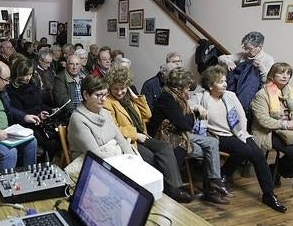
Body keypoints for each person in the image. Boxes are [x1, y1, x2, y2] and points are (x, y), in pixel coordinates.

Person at [190, 66, 287, 212]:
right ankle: (223, 176)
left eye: (224, 80)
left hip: (238, 133)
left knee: (258, 155)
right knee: (244, 150)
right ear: (210, 85)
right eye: (220, 81)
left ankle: (268, 194)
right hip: (217, 136)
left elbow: (242, 117)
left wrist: (241, 134)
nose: (224, 84)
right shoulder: (201, 97)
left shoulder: (230, 96)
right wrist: (198, 107)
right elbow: (187, 105)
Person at [104, 67, 199, 203]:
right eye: (115, 89)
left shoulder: (129, 98)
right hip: (129, 139)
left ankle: (175, 189)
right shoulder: (108, 102)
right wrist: (135, 134)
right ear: (110, 87)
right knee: (152, 158)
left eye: (123, 88)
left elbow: (147, 114)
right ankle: (172, 192)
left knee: (165, 147)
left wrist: (136, 98)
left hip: (143, 135)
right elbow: (113, 128)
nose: (119, 92)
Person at [148, 68, 229, 205]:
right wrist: (192, 113)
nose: (189, 89)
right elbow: (186, 124)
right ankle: (210, 189)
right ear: (180, 86)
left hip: (180, 133)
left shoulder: (179, 97)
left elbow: (185, 123)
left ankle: (214, 181)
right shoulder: (167, 98)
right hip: (167, 137)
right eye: (187, 86)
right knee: (207, 151)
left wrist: (190, 114)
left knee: (212, 142)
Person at [251, 62, 293, 186]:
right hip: (269, 131)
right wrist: (287, 124)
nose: (285, 76)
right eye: (281, 73)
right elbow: (263, 120)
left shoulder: (290, 92)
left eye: (288, 73)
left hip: (290, 130)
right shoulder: (262, 94)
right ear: (272, 75)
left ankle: (277, 171)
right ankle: (278, 171)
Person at [67, 75, 136, 167]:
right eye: (99, 95)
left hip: (113, 159)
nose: (103, 99)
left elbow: (121, 140)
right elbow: (95, 154)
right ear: (86, 95)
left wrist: (132, 159)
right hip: (91, 164)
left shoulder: (105, 113)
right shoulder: (78, 119)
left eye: (105, 94)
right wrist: (122, 164)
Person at [6, 56, 59, 161]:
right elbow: (19, 113)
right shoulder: (11, 90)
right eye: (25, 74)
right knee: (51, 142)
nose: (28, 77)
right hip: (24, 125)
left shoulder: (32, 85)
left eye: (30, 74)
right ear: (17, 74)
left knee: (57, 137)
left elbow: (39, 104)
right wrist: (39, 113)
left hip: (38, 121)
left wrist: (49, 110)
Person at [218, 31, 274, 120]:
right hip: (235, 89)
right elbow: (221, 58)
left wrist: (261, 68)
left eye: (249, 48)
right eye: (245, 48)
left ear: (259, 47)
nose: (246, 51)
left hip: (251, 94)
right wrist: (228, 61)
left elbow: (268, 82)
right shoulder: (242, 55)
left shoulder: (268, 59)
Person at [53, 54, 86, 121]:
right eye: (71, 64)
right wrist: (77, 114)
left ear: (81, 66)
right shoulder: (60, 78)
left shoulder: (85, 76)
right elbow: (63, 100)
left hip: (85, 111)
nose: (75, 67)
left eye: (77, 64)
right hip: (70, 115)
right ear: (66, 65)